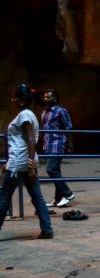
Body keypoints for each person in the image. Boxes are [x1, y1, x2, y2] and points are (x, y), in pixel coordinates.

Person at [0, 83, 54, 239]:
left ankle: (47, 229)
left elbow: (31, 140)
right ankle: (47, 229)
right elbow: (22, 141)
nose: (13, 100)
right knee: (37, 196)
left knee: (4, 196)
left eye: (15, 98)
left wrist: (29, 166)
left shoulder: (24, 115)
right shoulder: (29, 114)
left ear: (22, 99)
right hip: (22, 161)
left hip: (20, 163)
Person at [40, 88, 75, 208]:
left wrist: (70, 144)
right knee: (56, 171)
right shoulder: (44, 112)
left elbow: (68, 127)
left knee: (51, 170)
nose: (45, 99)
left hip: (57, 144)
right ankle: (58, 199)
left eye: (48, 97)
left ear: (55, 98)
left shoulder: (61, 111)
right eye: (44, 97)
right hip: (47, 145)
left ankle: (68, 193)